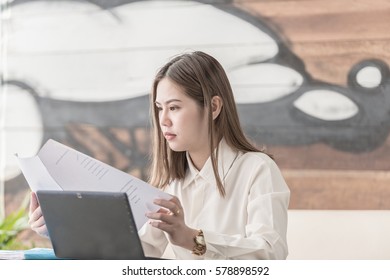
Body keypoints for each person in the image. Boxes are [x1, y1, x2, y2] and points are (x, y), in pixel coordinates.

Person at [29, 51, 290, 259]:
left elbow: (270, 253)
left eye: (174, 107)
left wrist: (191, 238)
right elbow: (136, 252)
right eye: (159, 108)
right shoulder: (170, 181)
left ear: (213, 107)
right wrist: (59, 229)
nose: (163, 120)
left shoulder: (258, 170)